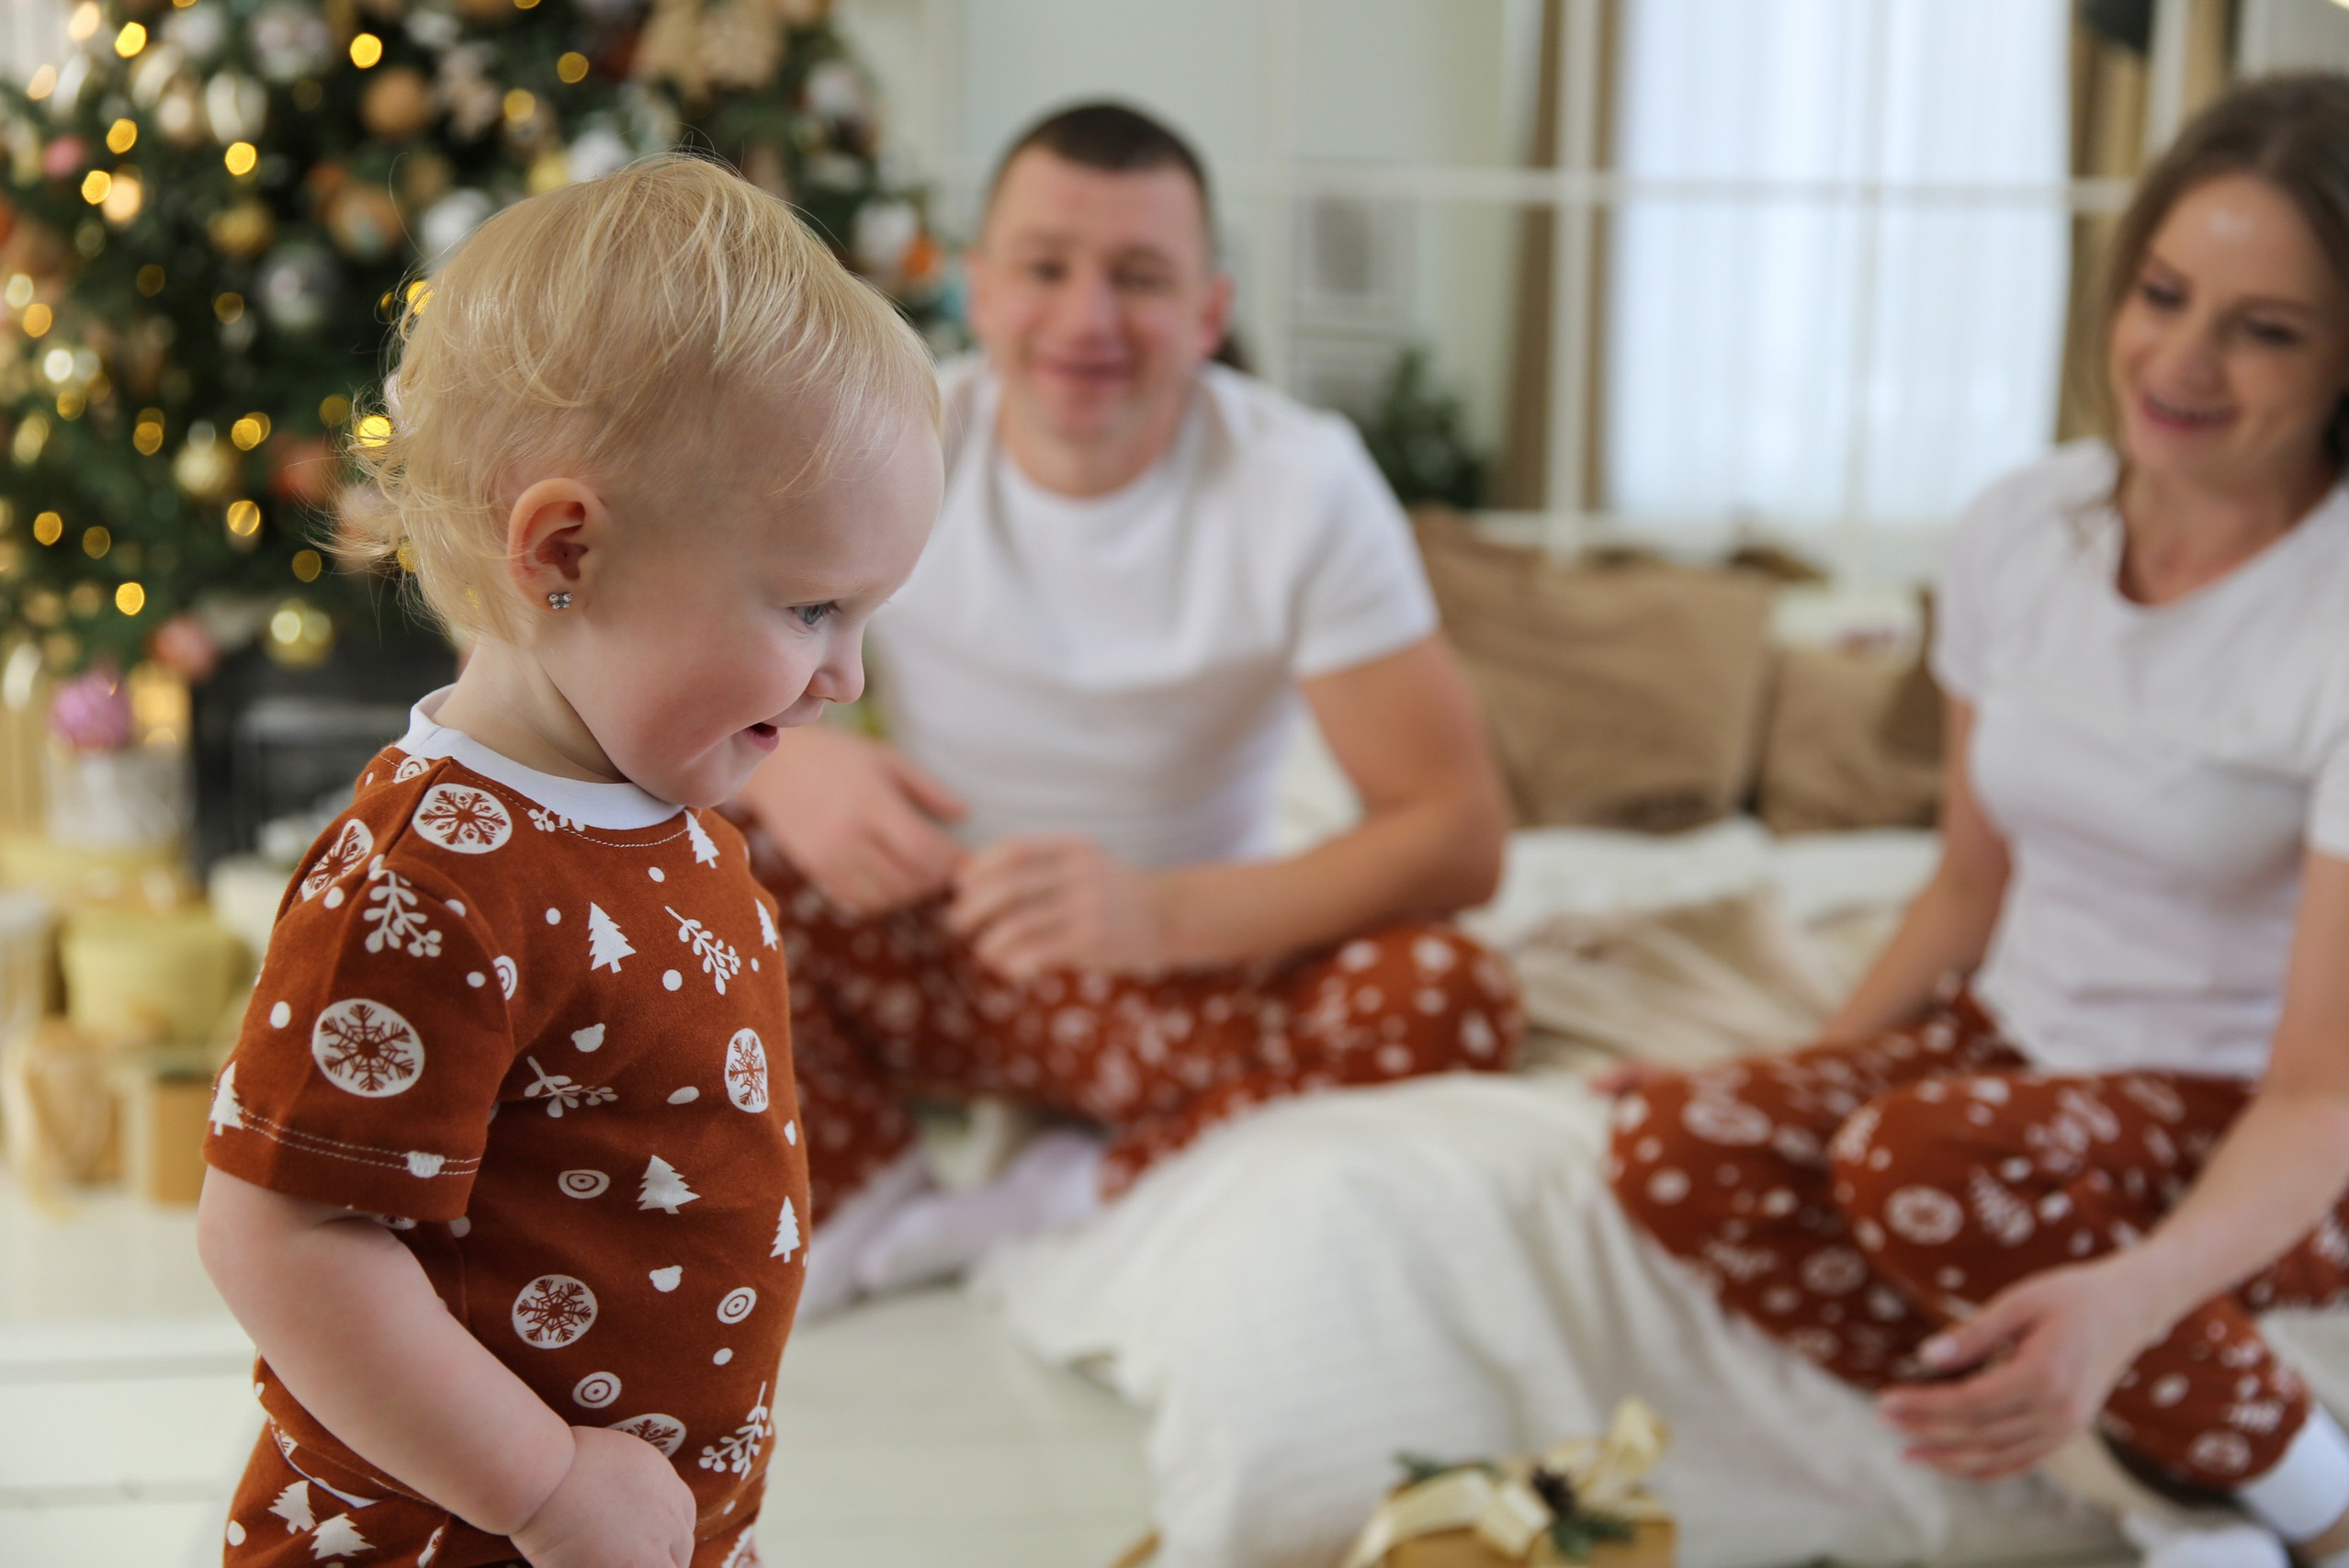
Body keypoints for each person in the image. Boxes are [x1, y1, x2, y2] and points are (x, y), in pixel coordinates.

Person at [1603, 75, 2349, 1568]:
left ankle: (2321, 1497)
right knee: (1676, 1141)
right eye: (2163, 294)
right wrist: (1793, 1079)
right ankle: (2137, 1488)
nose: (2183, 360)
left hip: (2246, 1120)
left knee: (1913, 1161)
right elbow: (1963, 891)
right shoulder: (2022, 527)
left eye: (2266, 329)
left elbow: (2321, 1097)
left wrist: (2139, 1294)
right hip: (2016, 1059)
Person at [195, 157, 943, 1568]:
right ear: (565, 552)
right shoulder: (430, 875)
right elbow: (278, 1239)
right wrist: (542, 1486)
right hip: (458, 1537)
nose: (846, 674)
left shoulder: (660, 805)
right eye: (811, 607)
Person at [731, 102, 1522, 1312]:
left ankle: (1071, 1189)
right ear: (981, 291)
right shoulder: (885, 444)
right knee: (687, 837)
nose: (1089, 319)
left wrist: (1161, 915)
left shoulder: (1303, 485)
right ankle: (867, 1169)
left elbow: (1458, 833)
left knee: (1453, 993)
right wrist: (784, 764)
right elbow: (641, 637)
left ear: (1209, 311)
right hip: (942, 945)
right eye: (1046, 269)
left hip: (1194, 971)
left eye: (1140, 277)